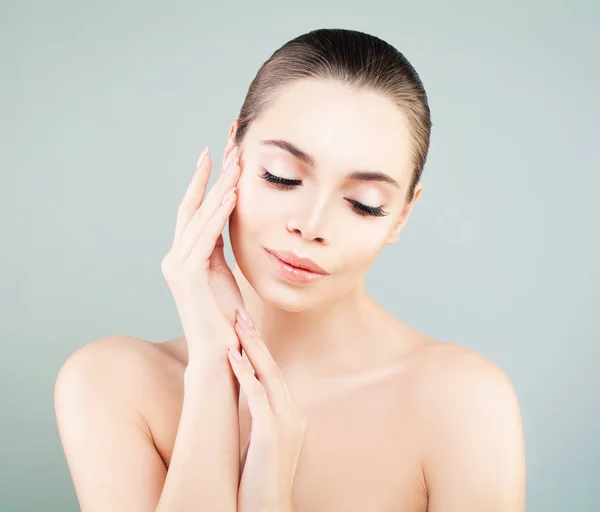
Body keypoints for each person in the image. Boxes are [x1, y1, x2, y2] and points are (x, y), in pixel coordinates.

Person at [54, 28, 526, 511]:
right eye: (282, 176)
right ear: (234, 148)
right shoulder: (112, 384)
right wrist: (213, 374)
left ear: (402, 215)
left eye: (364, 204)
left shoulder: (463, 404)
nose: (311, 225)